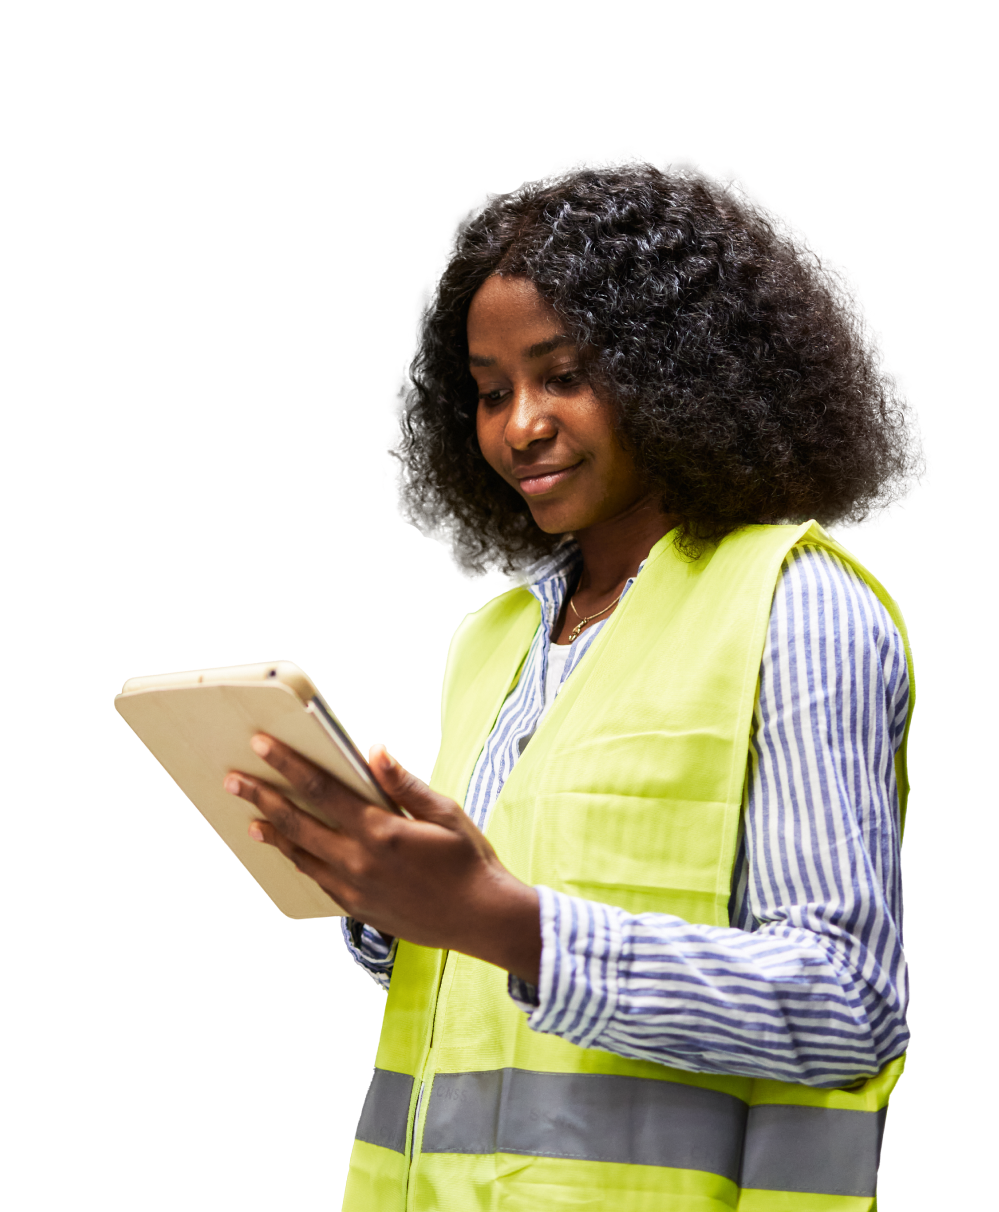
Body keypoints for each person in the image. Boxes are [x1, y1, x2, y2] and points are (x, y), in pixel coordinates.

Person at [225, 156, 926, 1211]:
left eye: (563, 375)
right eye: (492, 390)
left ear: (674, 369)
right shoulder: (490, 641)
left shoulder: (793, 608)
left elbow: (845, 1006)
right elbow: (473, 997)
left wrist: (514, 925)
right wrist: (386, 895)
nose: (520, 427)